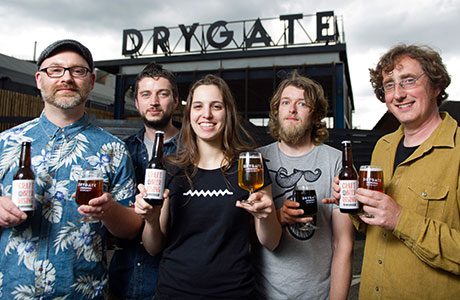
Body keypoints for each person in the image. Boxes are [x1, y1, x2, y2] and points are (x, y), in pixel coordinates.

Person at [0, 39, 142, 299]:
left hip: (84, 292)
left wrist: (110, 211)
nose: (66, 78)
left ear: (91, 80)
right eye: (55, 70)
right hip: (10, 290)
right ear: (39, 79)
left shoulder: (114, 149)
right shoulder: (5, 142)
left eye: (78, 71)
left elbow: (132, 228)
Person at [134, 74, 282, 299]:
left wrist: (265, 216)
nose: (207, 115)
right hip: (174, 292)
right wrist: (151, 221)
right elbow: (153, 247)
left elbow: (271, 242)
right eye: (198, 106)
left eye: (216, 106)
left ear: (228, 112)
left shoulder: (249, 165)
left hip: (235, 292)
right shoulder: (170, 169)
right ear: (189, 114)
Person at [331, 44, 460, 299]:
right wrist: (356, 205)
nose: (398, 94)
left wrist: (400, 219)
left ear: (436, 86)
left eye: (408, 80)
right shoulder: (383, 147)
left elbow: (394, 219)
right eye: (389, 85)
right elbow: (375, 227)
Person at [253, 72, 354, 299]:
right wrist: (277, 217)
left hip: (317, 293)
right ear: (276, 111)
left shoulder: (335, 160)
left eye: (302, 104)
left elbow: (343, 243)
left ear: (316, 115)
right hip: (263, 293)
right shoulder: (257, 160)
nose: (292, 110)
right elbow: (239, 235)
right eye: (286, 103)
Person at [108, 62, 180, 300]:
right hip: (125, 277)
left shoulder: (194, 151)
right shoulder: (122, 150)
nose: (154, 102)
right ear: (137, 103)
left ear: (176, 100)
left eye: (163, 93)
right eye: (146, 94)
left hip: (175, 278)